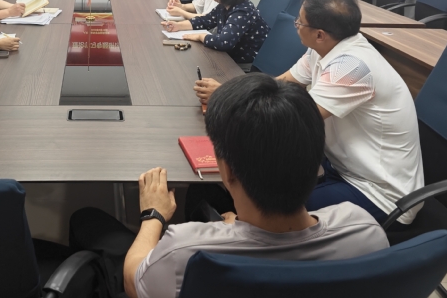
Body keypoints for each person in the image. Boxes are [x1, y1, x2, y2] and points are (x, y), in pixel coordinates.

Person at [69, 75, 389, 298]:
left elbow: (132, 281)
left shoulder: (185, 252)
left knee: (86, 220)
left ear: (226, 169)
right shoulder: (366, 232)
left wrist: (153, 215)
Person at [194, 0, 424, 226]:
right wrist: (229, 92)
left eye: (299, 21)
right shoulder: (323, 49)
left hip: (377, 192)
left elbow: (297, 121)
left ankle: (241, 228)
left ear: (320, 34)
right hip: (339, 167)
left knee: (268, 210)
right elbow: (281, 83)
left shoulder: (352, 67)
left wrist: (227, 101)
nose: (295, 25)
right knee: (255, 188)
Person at [162, 0, 269, 64]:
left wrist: (200, 36)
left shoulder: (242, 11)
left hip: (245, 64)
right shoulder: (224, 6)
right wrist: (178, 26)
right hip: (229, 57)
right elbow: (204, 21)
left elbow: (224, 42)